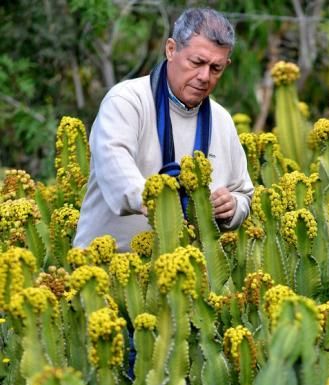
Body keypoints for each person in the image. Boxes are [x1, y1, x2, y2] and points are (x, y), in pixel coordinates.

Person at [74, 8, 254, 252]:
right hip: (105, 269)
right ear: (171, 49)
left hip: (184, 279)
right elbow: (116, 170)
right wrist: (163, 203)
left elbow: (243, 193)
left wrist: (233, 207)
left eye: (216, 68)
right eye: (197, 62)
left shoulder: (222, 121)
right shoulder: (127, 101)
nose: (204, 76)